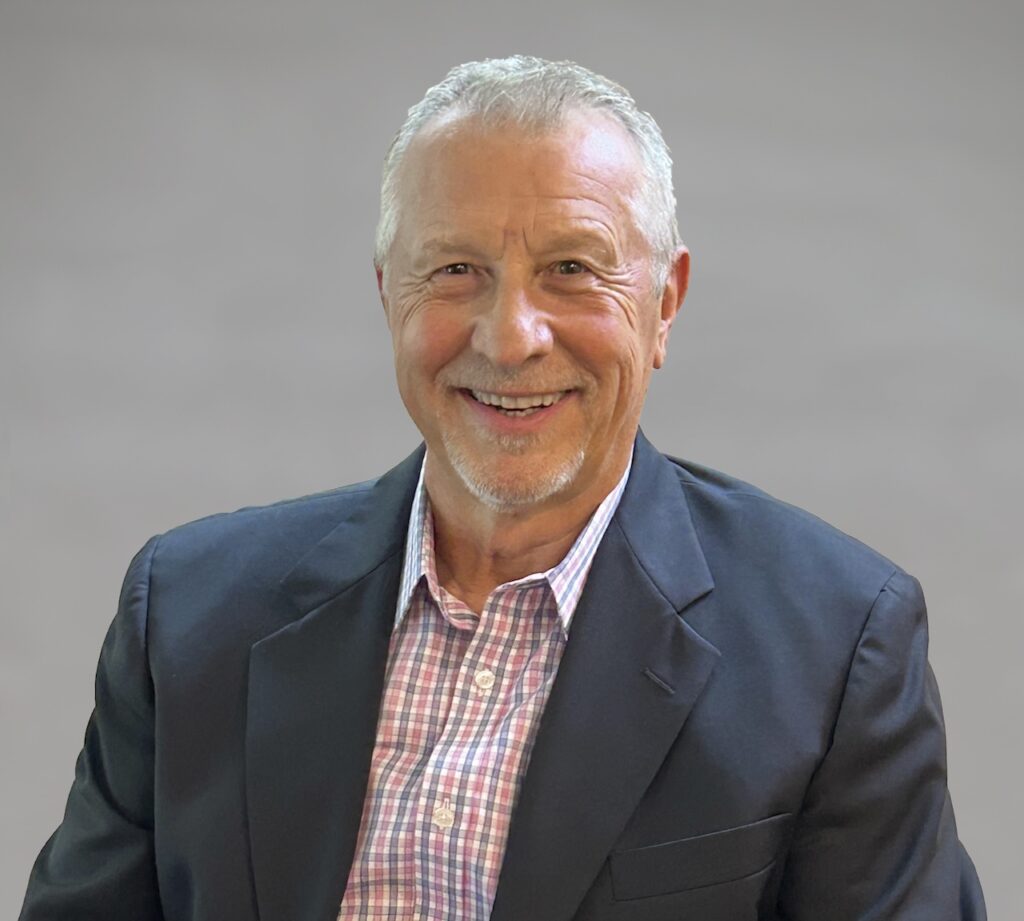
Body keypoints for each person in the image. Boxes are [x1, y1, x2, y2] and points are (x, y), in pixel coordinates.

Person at [20, 55, 985, 921]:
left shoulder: (836, 647)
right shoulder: (187, 615)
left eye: (571, 268)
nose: (509, 334)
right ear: (387, 294)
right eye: (455, 269)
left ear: (665, 304)